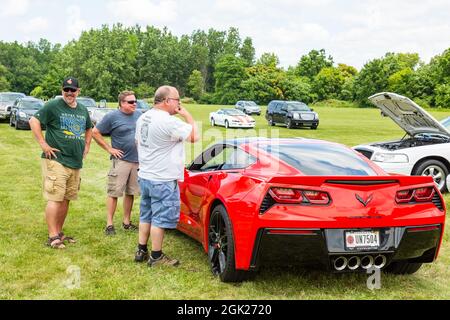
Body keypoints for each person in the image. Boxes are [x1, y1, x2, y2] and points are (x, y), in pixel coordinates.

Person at [134, 85, 199, 267]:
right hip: (162, 178)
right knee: (160, 218)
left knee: (146, 214)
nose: (179, 103)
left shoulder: (143, 117)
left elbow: (137, 142)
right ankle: (156, 256)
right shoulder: (169, 121)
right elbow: (195, 136)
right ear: (167, 101)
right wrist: (187, 116)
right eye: (177, 100)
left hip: (145, 175)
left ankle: (141, 250)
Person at [29, 77, 93, 249]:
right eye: (66, 90)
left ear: (78, 91)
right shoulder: (53, 106)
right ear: (62, 90)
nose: (69, 93)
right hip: (56, 160)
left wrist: (87, 144)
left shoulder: (82, 109)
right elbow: (34, 121)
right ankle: (52, 237)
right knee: (55, 197)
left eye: (73, 90)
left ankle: (58, 232)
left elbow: (89, 127)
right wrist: (43, 144)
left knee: (66, 198)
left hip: (75, 162)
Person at [92, 91, 141, 235]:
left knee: (131, 192)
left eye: (135, 101)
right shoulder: (112, 116)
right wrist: (109, 148)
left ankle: (126, 221)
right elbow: (95, 132)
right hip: (121, 160)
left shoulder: (138, 115)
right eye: (131, 102)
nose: (134, 104)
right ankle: (109, 224)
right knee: (114, 192)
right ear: (122, 103)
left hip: (137, 160)